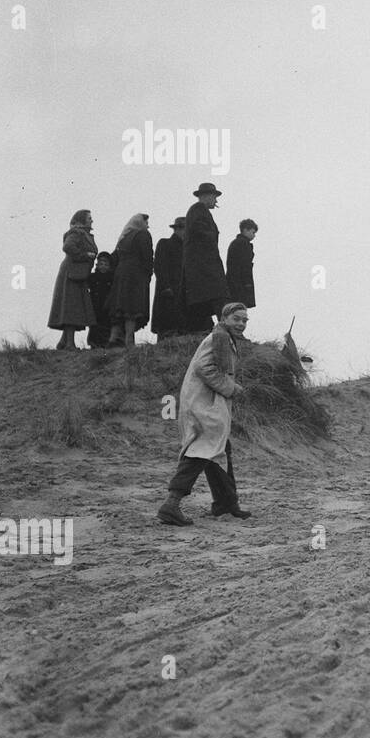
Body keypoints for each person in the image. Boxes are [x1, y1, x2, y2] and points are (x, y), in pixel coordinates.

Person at [158, 302, 253, 526]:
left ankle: (226, 503)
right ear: (225, 318)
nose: (241, 324)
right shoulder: (218, 338)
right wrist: (231, 387)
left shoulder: (223, 337)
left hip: (206, 402)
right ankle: (171, 504)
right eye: (236, 319)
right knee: (202, 451)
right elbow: (205, 368)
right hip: (203, 404)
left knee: (219, 449)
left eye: (244, 320)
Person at [179, 183, 229, 332]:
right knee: (219, 295)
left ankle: (205, 330)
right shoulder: (198, 210)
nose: (216, 201)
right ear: (206, 196)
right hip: (205, 264)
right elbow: (202, 233)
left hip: (203, 264)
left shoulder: (199, 211)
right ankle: (227, 329)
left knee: (204, 299)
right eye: (214, 197)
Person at [48, 210, 98, 350]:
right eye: (89, 218)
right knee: (71, 307)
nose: (91, 221)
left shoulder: (83, 233)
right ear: (81, 220)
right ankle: (70, 344)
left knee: (72, 307)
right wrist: (84, 255)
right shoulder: (77, 233)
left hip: (77, 274)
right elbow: (68, 246)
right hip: (71, 274)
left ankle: (64, 342)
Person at [107, 214, 155, 349]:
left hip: (121, 274)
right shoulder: (143, 235)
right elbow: (147, 255)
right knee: (132, 308)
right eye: (146, 222)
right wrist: (149, 272)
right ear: (141, 223)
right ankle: (129, 340)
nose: (148, 226)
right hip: (136, 275)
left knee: (119, 307)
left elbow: (114, 257)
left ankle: (113, 338)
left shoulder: (124, 237)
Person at [151, 217, 186, 339]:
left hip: (182, 292)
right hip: (168, 291)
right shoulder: (165, 243)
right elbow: (159, 267)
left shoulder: (188, 248)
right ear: (177, 229)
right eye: (182, 229)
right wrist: (165, 286)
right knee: (167, 327)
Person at [226, 219, 258, 309]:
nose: (254, 236)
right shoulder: (243, 244)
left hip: (233, 284)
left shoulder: (236, 243)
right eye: (253, 232)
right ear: (245, 230)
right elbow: (245, 267)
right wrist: (247, 286)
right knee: (238, 311)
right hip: (240, 286)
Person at [86, 252, 115, 348]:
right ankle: (93, 343)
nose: (103, 267)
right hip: (94, 304)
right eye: (101, 264)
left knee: (106, 324)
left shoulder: (111, 278)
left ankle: (105, 343)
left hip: (106, 305)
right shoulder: (92, 277)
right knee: (94, 325)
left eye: (106, 264)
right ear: (97, 265)